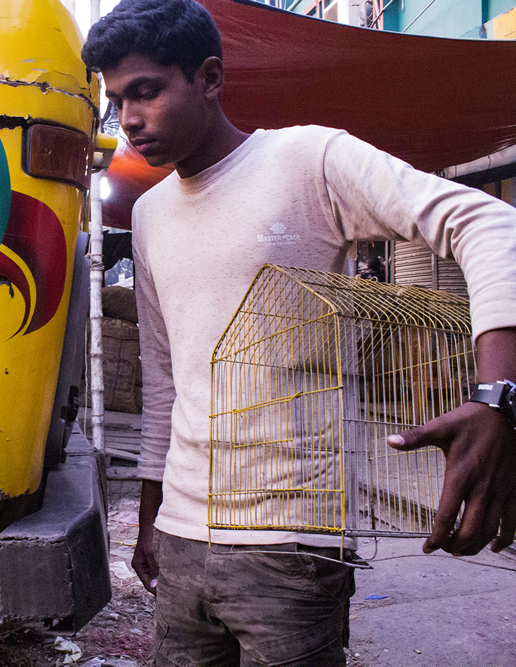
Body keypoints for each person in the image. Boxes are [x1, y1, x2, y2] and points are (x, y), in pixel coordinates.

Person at [81, 1, 516, 664]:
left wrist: (497, 395)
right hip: (181, 540)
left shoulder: (306, 160)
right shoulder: (149, 214)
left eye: (147, 90)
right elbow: (165, 373)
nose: (132, 118)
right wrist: (151, 515)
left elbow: (488, 223)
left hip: (291, 546)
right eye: (118, 100)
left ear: (209, 78)